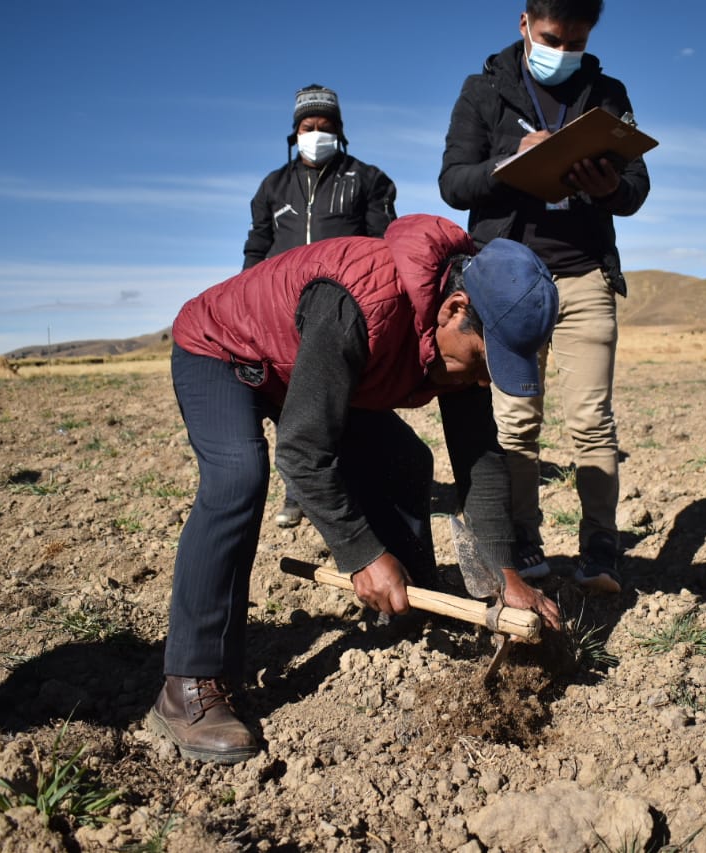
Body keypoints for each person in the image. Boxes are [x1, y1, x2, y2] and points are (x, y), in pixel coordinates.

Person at [151, 213, 563, 764]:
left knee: (402, 459)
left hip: (302, 366)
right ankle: (187, 687)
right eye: (485, 363)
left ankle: (406, 604)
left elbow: (479, 457)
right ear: (455, 310)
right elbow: (302, 451)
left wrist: (504, 573)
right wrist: (362, 554)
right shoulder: (361, 302)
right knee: (237, 480)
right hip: (224, 352)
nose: (483, 380)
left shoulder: (470, 323)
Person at [439, 0, 650, 594]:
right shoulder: (482, 91)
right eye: (553, 37)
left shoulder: (608, 93)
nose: (563, 51)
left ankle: (601, 550)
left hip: (584, 275)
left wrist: (609, 187)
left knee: (592, 421)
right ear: (525, 24)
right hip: (508, 281)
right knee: (514, 421)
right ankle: (521, 540)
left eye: (577, 41)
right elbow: (454, 181)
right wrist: (511, 163)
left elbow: (636, 187)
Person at [243, 84, 399, 529]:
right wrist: (249, 293)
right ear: (295, 133)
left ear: (340, 131)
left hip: (343, 308)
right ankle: (299, 489)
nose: (317, 134)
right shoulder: (272, 187)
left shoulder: (368, 179)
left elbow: (382, 243)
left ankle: (358, 484)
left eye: (326, 127)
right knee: (295, 397)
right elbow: (257, 246)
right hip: (282, 309)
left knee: (348, 397)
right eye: (309, 127)